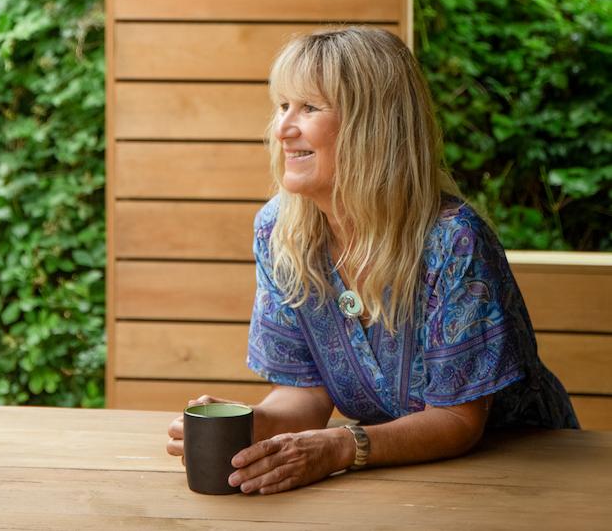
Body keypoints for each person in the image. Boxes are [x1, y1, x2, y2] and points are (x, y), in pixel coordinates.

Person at [167, 26, 578, 494]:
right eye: (283, 106)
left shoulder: (453, 240)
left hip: (529, 471)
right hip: (403, 475)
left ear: (372, 125)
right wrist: (252, 426)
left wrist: (342, 447)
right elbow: (307, 393)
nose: (283, 128)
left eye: (309, 107)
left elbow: (458, 421)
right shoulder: (278, 231)